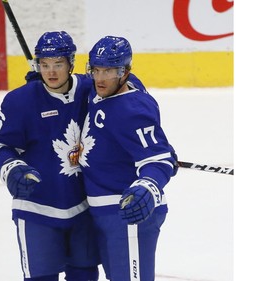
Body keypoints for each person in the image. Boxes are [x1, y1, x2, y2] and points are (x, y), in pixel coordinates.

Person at [0, 31, 100, 281]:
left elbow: (128, 87)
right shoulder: (20, 101)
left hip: (83, 207)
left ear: (71, 63)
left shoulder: (90, 90)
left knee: (85, 275)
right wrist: (12, 168)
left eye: (58, 64)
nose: (51, 72)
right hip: (37, 208)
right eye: (44, 65)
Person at [79, 36, 178, 281]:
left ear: (125, 72)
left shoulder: (133, 109)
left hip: (129, 212)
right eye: (96, 70)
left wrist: (148, 183)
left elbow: (158, 161)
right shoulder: (104, 88)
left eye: (110, 71)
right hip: (102, 211)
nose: (100, 78)